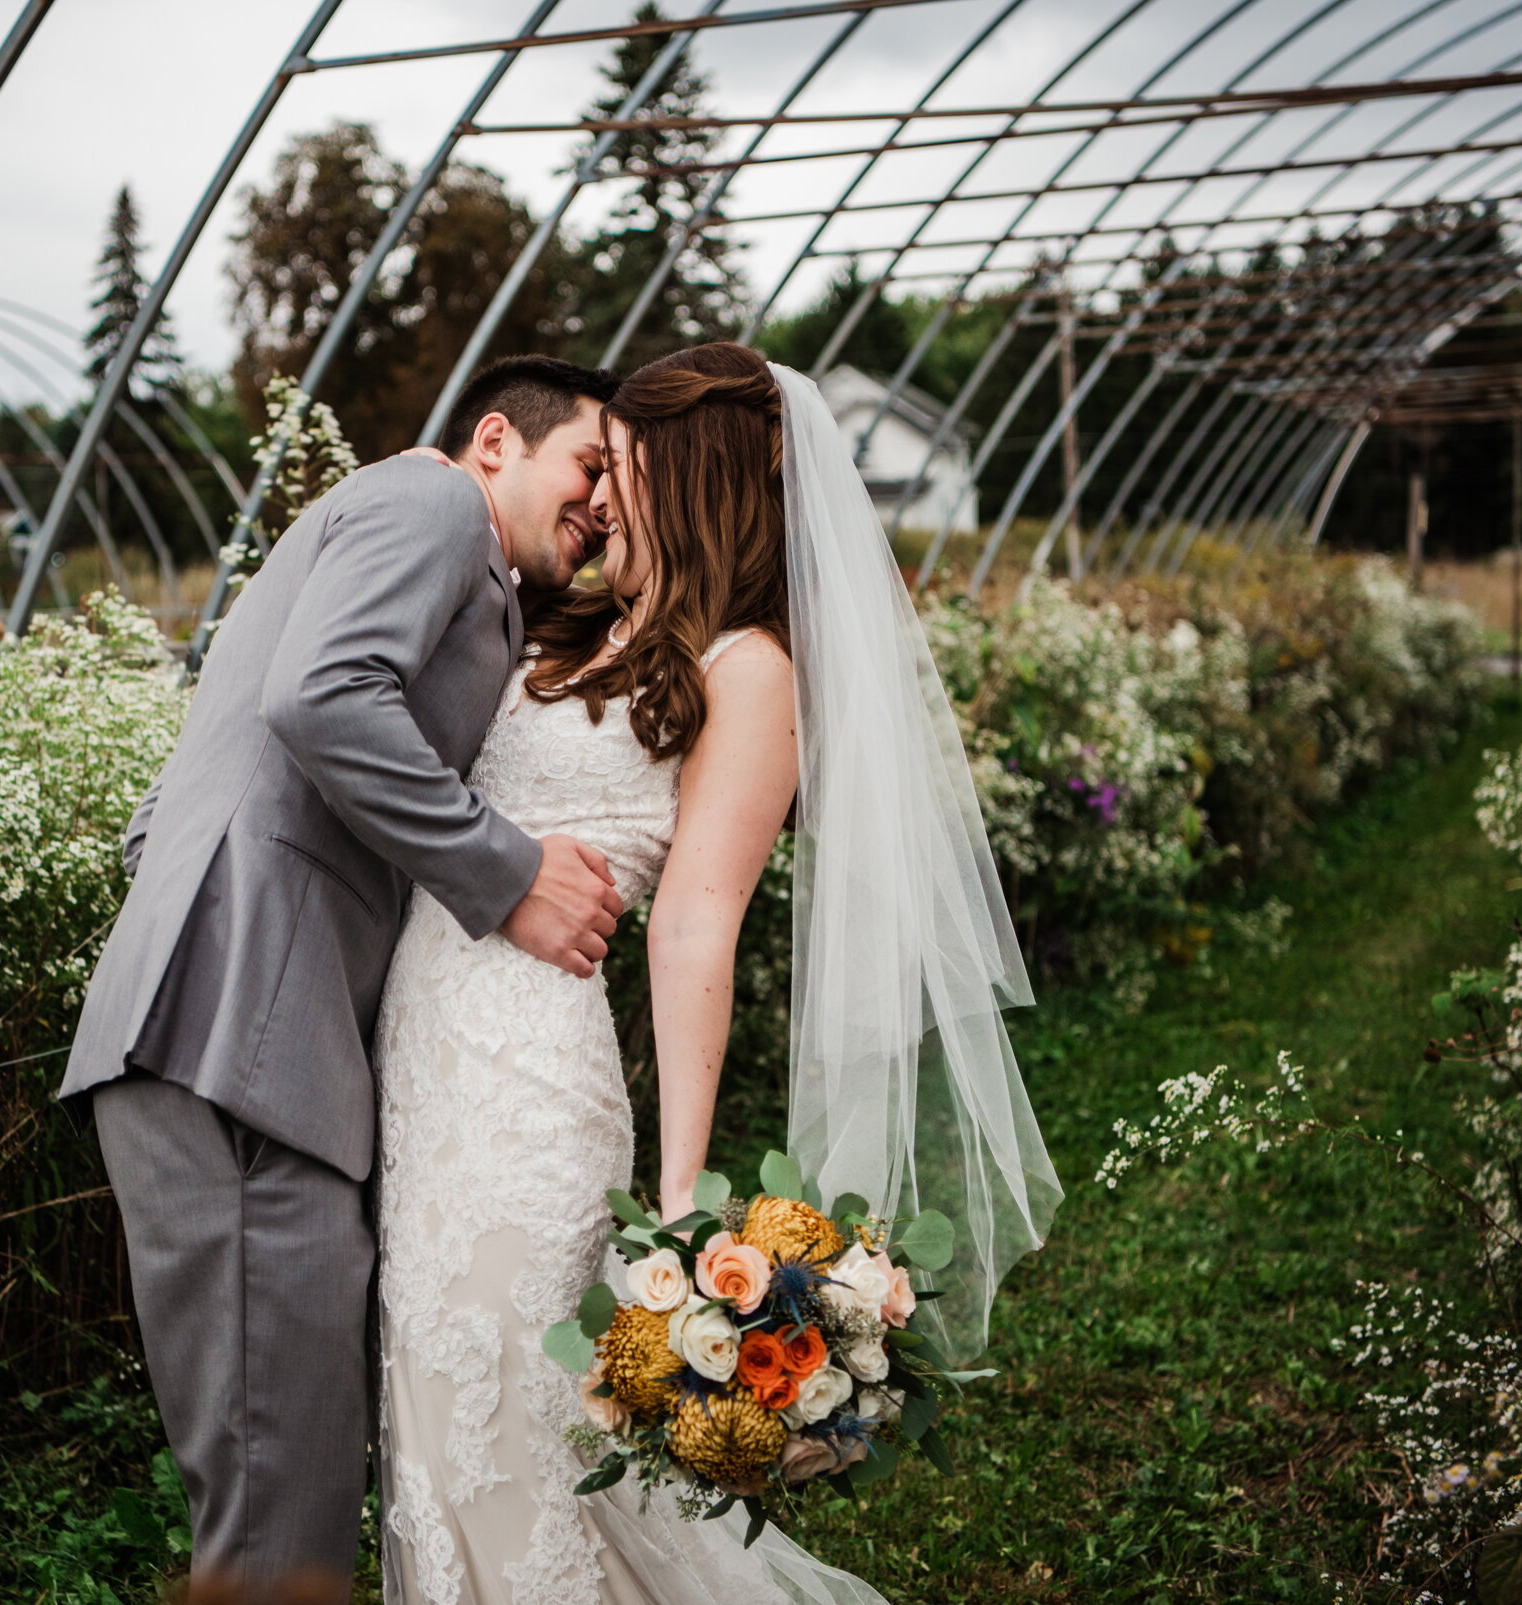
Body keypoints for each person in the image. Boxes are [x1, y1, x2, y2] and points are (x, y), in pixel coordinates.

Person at [373, 343, 1060, 1604]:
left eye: (619, 466)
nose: (599, 496)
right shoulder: (570, 616)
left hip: (529, 1085)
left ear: (682, 481)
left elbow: (696, 924)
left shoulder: (748, 670)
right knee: (433, 1408)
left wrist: (685, 1196)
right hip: (419, 1068)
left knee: (518, 1425)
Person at [61, 355, 630, 1593]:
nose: (602, 510)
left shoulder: (443, 559)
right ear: (496, 440)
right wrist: (509, 872)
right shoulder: (431, 505)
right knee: (280, 1525)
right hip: (241, 1059)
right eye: (591, 467)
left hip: (241, 1039)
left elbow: (165, 815)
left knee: (283, 1500)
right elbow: (320, 698)